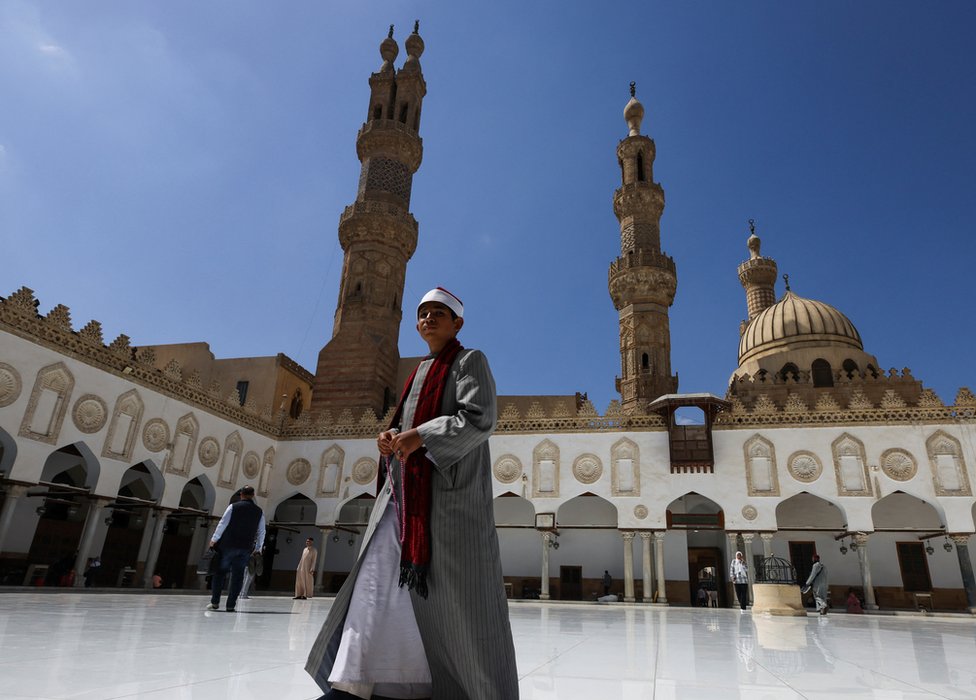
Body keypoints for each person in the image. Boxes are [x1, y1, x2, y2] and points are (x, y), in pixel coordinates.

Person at [305, 287, 519, 700]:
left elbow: (479, 418)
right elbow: (405, 425)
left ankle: (457, 689)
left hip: (447, 504)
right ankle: (361, 682)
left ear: (457, 323)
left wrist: (419, 435)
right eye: (422, 314)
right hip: (403, 501)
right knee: (377, 585)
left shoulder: (468, 361)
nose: (429, 320)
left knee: (455, 605)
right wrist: (390, 437)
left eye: (439, 313)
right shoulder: (419, 371)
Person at [207, 484, 265, 613]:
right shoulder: (259, 511)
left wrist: (214, 539)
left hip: (227, 545)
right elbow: (262, 531)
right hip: (245, 547)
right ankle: (230, 605)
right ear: (253, 495)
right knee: (238, 576)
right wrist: (258, 548)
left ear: (241, 495)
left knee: (220, 573)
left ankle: (215, 602)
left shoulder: (233, 507)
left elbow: (223, 523)